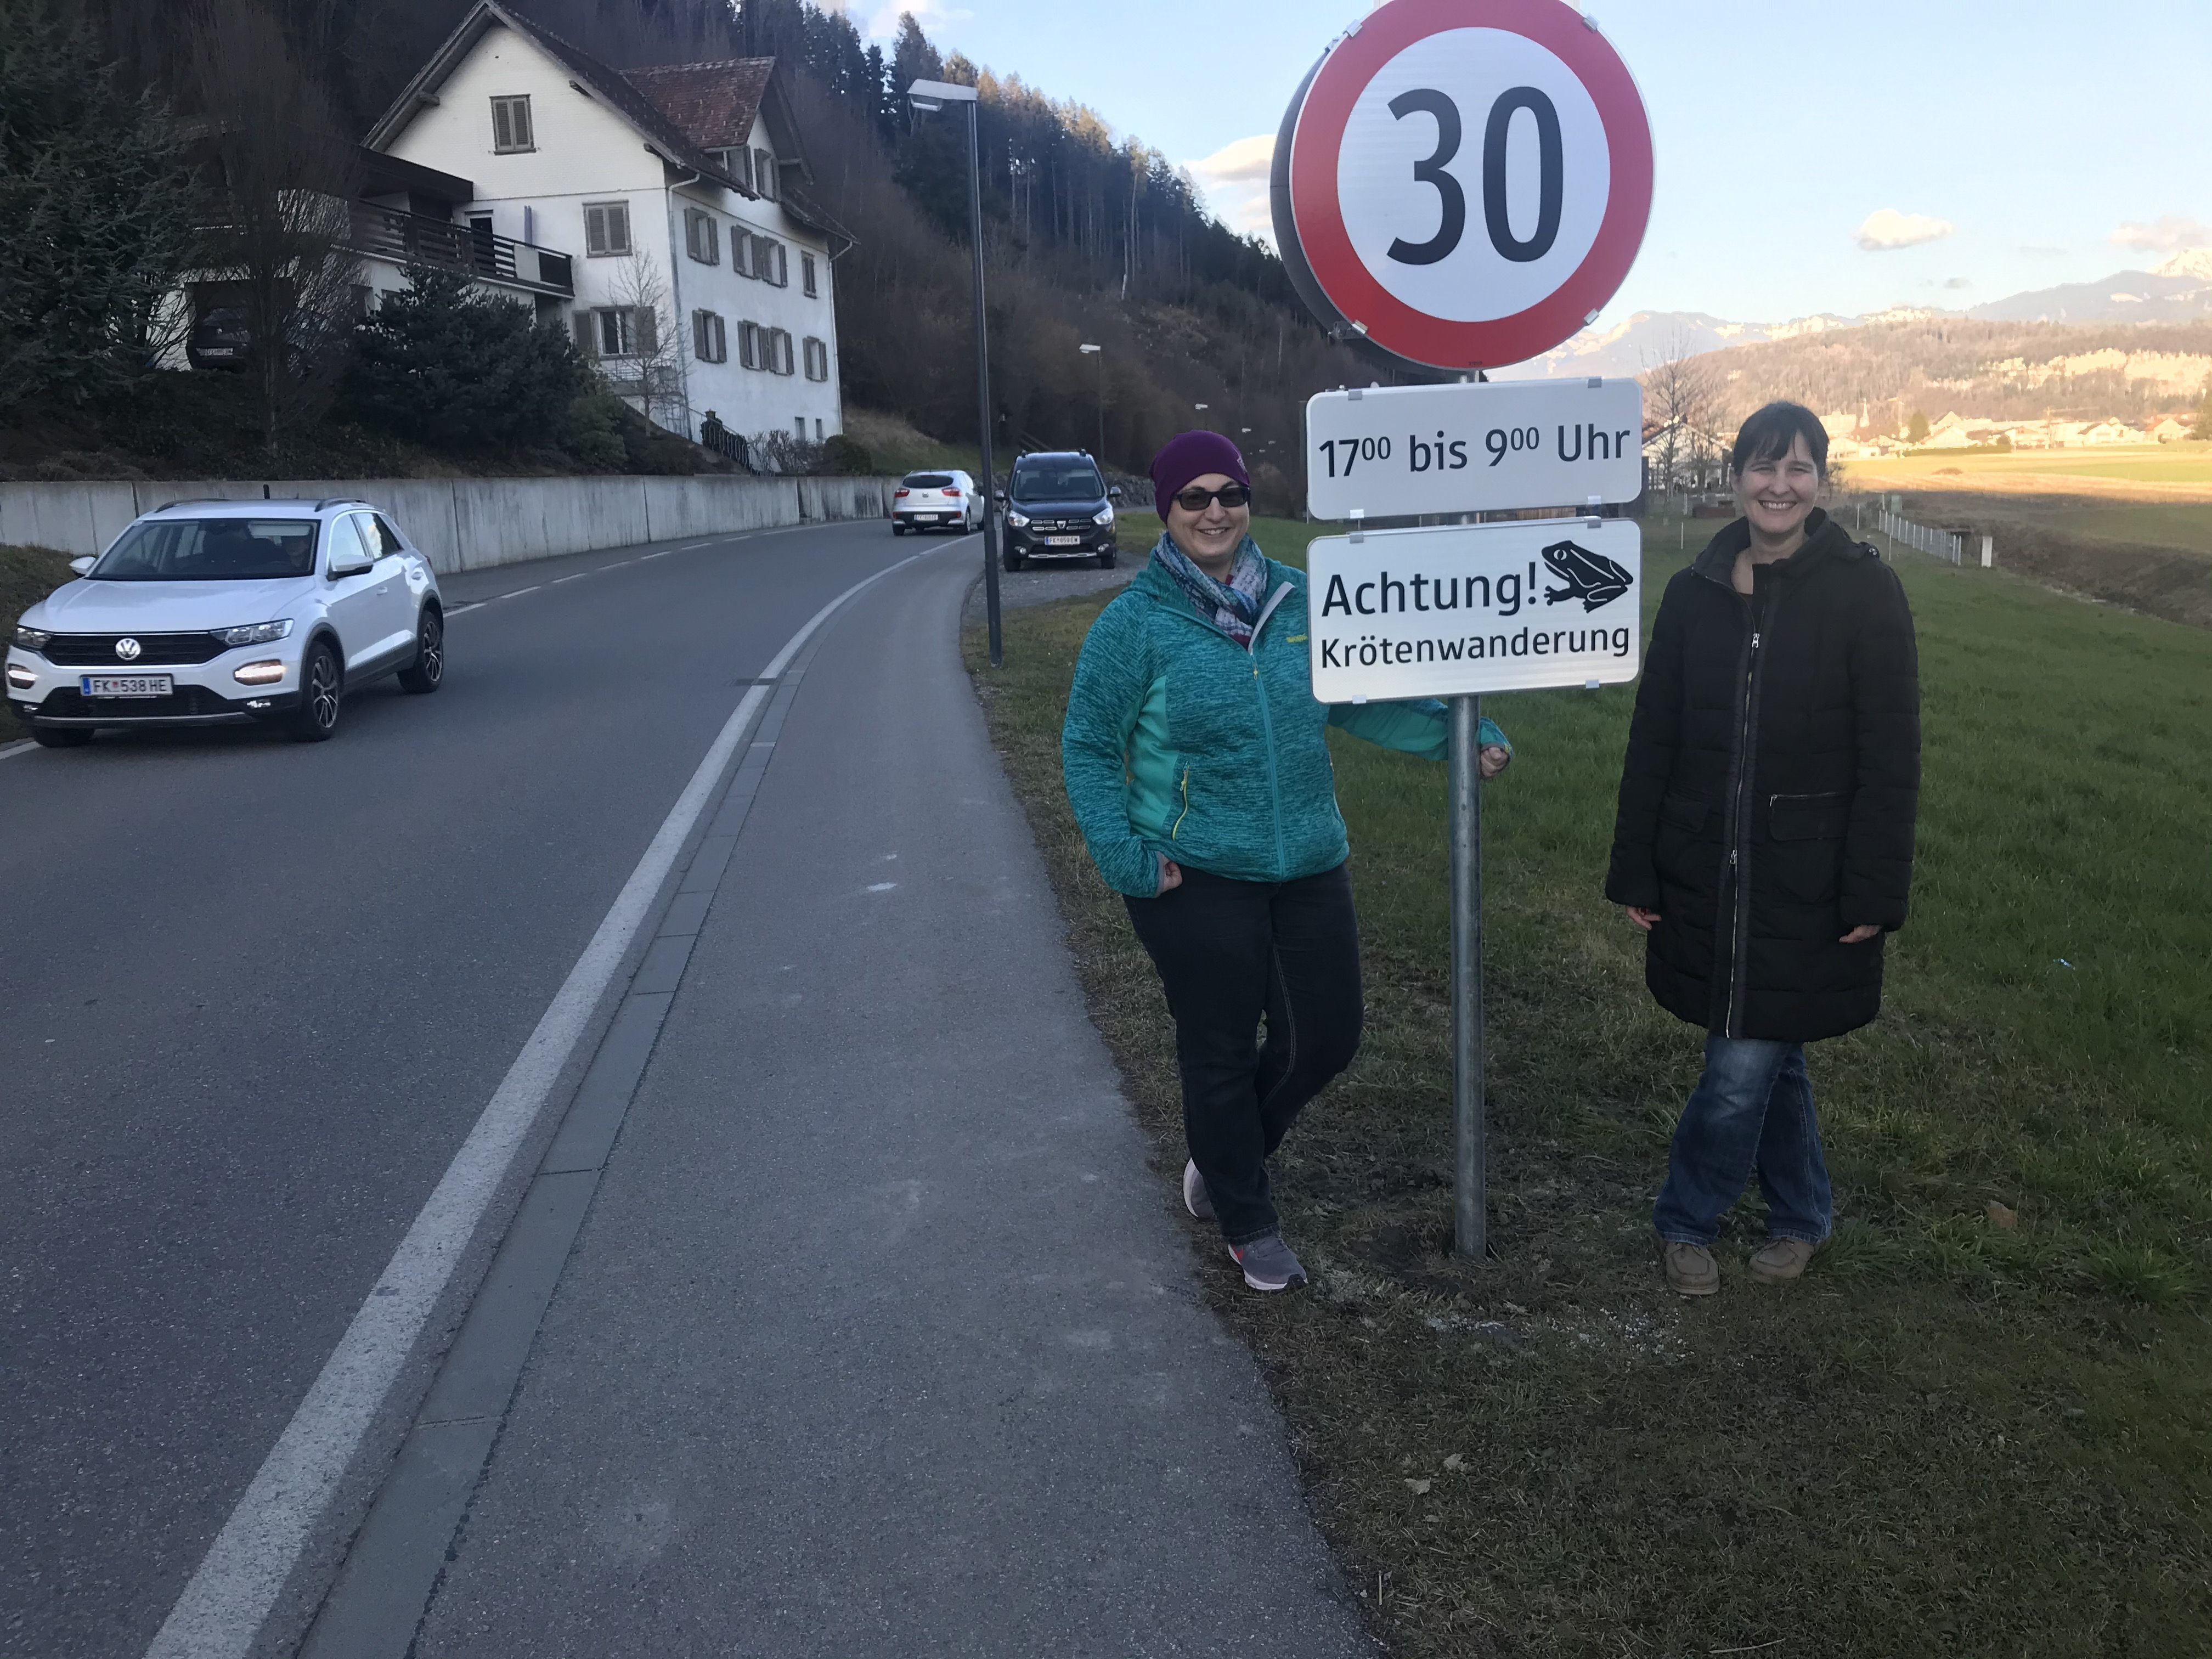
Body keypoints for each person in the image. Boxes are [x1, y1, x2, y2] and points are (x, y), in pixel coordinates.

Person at [1061, 431, 1511, 1293]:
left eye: (1228, 493)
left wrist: (1461, 739)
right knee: (1221, 1047)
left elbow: (1366, 700)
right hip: (1193, 872)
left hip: (1307, 858)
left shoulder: (1304, 601)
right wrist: (1125, 856)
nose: (1214, 511)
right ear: (1166, 509)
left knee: (1326, 1038)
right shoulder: (1137, 624)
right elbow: (1087, 747)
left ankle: (1226, 1154)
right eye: (1192, 497)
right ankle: (1246, 1214)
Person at [1605, 401, 1920, 1296]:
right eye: (1761, 465)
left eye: (1799, 467)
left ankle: (1686, 1218)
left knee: (1742, 1059)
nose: (1778, 485)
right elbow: (1654, 738)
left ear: (1822, 481)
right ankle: (1802, 1214)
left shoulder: (1864, 590)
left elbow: (1891, 756)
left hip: (1809, 878)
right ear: (1736, 476)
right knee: (1768, 1047)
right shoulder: (1695, 591)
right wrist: (1638, 863)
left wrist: (1874, 889)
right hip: (1705, 865)